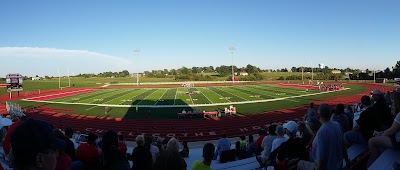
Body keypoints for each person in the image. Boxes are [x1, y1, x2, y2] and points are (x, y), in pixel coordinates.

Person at [297, 104, 349, 170]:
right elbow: (343, 146)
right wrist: (347, 161)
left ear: (319, 114)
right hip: (338, 165)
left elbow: (321, 162)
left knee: (300, 163)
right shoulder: (337, 125)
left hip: (328, 167)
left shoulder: (321, 132)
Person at [368, 92, 400, 165]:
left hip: (397, 142)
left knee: (371, 141)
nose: (391, 105)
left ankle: (376, 164)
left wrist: (380, 135)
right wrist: (381, 133)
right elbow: (391, 130)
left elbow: (391, 131)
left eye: (393, 103)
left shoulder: (399, 115)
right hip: (396, 138)